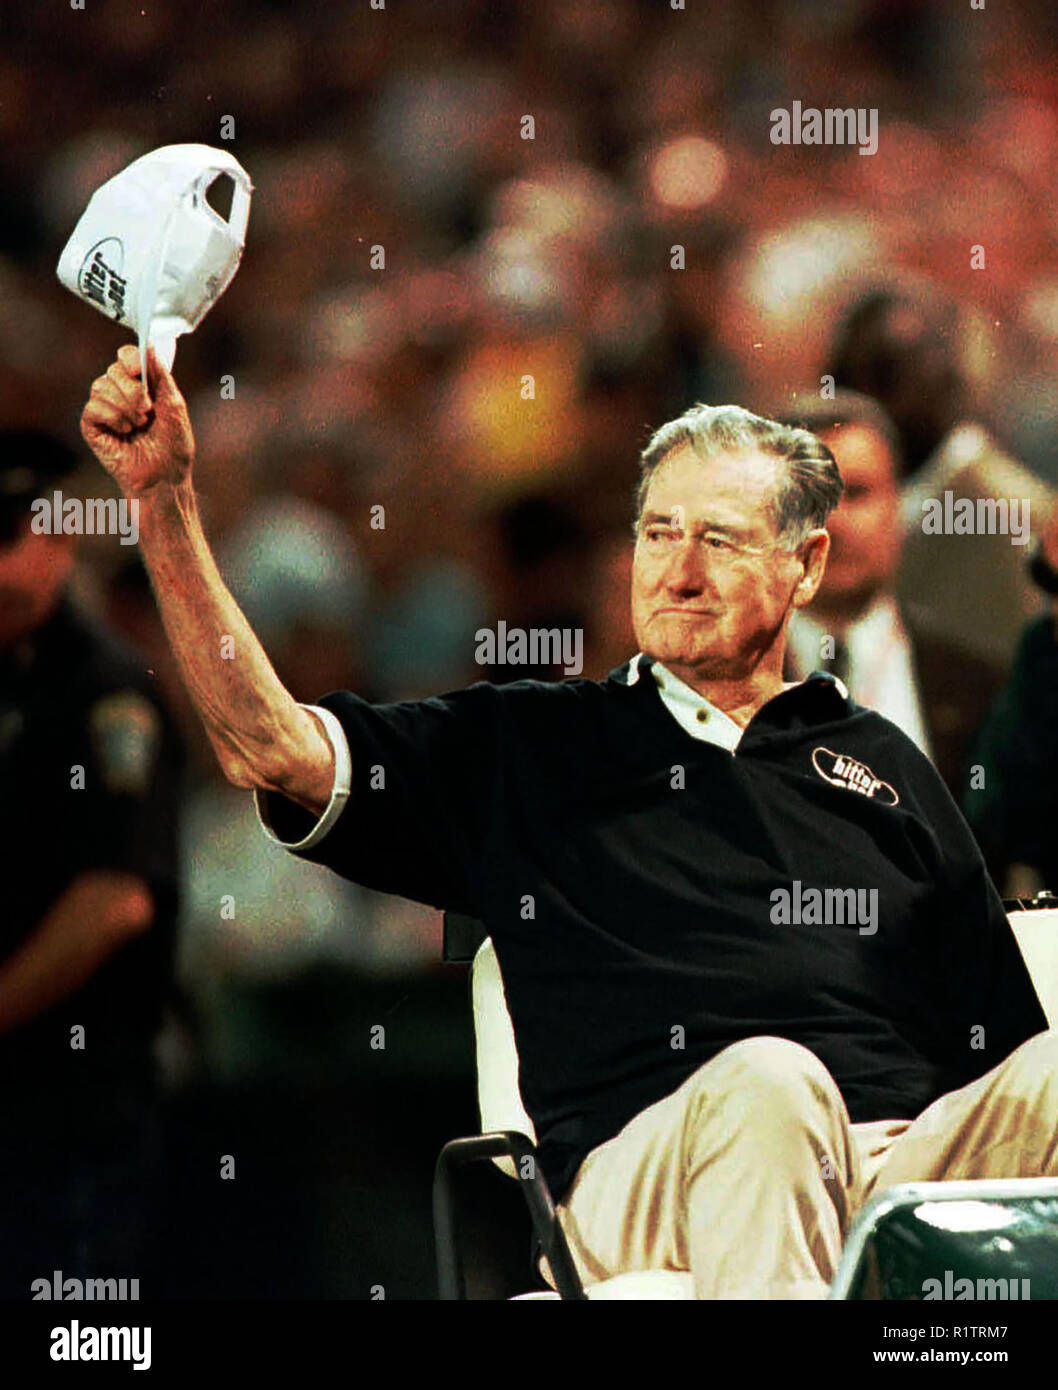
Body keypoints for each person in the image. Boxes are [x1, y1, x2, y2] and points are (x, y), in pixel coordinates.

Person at [80, 348, 1055, 1300]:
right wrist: (164, 506)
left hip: (884, 1157)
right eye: (657, 533)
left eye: (717, 539)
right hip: (653, 1156)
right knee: (772, 1084)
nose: (675, 571)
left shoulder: (882, 762)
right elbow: (273, 748)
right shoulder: (527, 745)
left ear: (804, 565)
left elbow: (994, 1049)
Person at [0, 429, 182, 1299]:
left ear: (57, 537)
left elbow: (115, 899)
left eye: (7, 536)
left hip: (74, 1103)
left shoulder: (104, 691)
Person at [780, 391, 1002, 801]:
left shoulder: (979, 691)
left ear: (898, 510)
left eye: (858, 493)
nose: (836, 523)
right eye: (808, 499)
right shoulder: (712, 686)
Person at [828, 286, 1053, 670]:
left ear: (953, 380)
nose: (874, 399)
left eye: (889, 374)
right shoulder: (828, 505)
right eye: (853, 376)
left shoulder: (1012, 514)